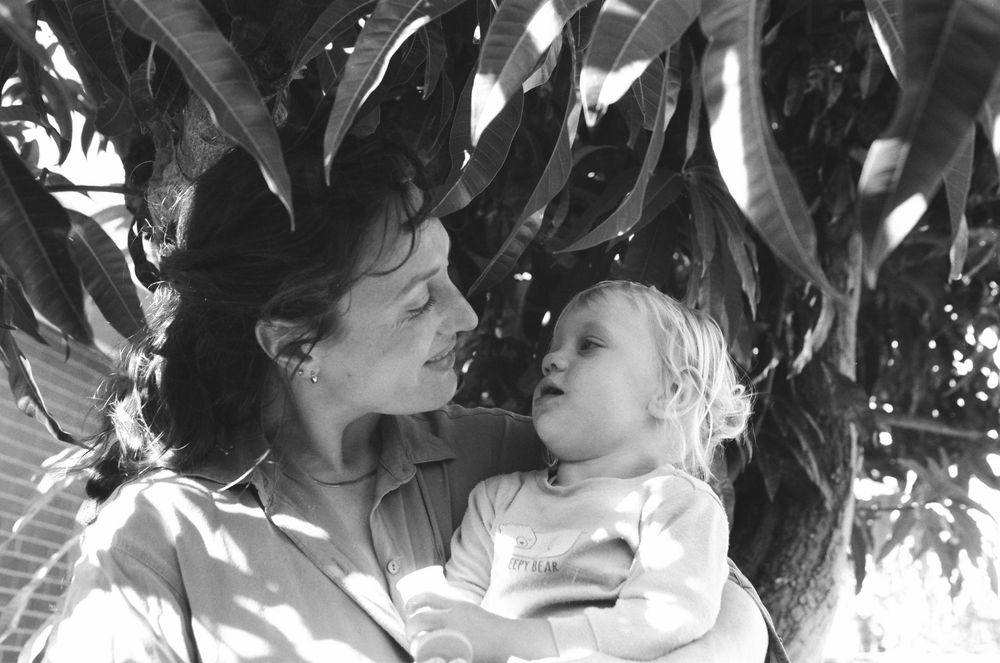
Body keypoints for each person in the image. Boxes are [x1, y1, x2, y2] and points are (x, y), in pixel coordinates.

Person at [35, 130, 782, 663]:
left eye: (448, 271)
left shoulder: (507, 452)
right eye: (417, 301)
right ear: (295, 340)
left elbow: (719, 598)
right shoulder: (164, 540)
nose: (465, 315)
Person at [403, 281, 752, 662]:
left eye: (588, 345)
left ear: (672, 393)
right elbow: (459, 611)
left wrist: (514, 639)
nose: (550, 360)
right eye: (553, 349)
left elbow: (666, 620)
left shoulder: (678, 505)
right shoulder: (496, 500)